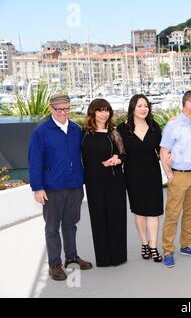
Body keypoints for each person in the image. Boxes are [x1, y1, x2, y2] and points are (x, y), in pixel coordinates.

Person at [28, 94, 92, 281]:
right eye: (59, 109)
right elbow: (34, 162)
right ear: (51, 109)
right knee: (52, 227)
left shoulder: (75, 130)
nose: (64, 112)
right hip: (52, 188)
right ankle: (54, 263)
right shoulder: (41, 132)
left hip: (74, 185)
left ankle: (71, 257)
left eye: (67, 108)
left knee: (70, 225)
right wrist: (38, 188)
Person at [160, 90, 191, 268]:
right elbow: (164, 152)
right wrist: (170, 174)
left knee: (190, 212)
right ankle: (167, 250)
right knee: (173, 214)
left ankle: (186, 245)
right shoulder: (173, 125)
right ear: (187, 104)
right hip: (179, 175)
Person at [117, 95, 164, 262]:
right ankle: (144, 243)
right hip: (132, 174)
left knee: (154, 211)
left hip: (152, 173)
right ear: (132, 108)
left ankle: (153, 246)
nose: (144, 109)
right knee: (139, 211)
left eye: (146, 106)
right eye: (139, 106)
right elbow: (119, 152)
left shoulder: (154, 127)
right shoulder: (122, 129)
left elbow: (162, 151)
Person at [82, 99, 127, 267]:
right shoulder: (84, 133)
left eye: (107, 110)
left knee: (116, 219)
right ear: (92, 112)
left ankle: (118, 257)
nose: (104, 113)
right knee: (98, 220)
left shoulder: (114, 133)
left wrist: (117, 159)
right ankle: (103, 258)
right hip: (93, 183)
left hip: (114, 181)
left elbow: (123, 154)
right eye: (100, 110)